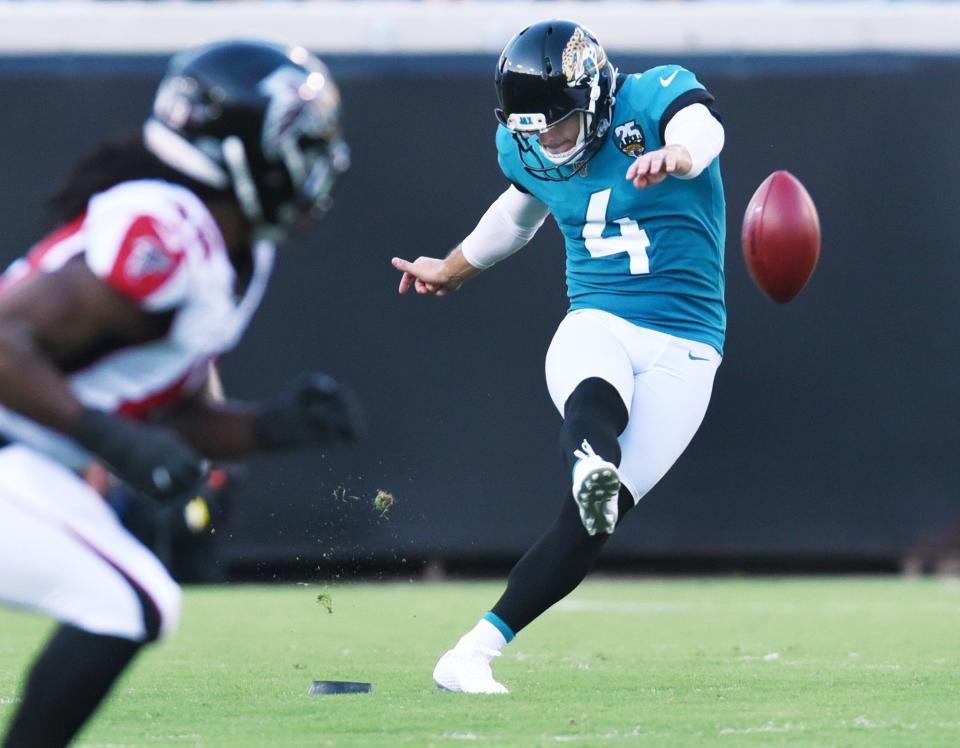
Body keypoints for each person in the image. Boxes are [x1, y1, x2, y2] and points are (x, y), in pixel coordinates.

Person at [0, 40, 363, 746]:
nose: (318, 162)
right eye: (301, 141)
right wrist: (114, 443)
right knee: (132, 600)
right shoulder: (167, 230)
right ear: (238, 145)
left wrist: (271, 427)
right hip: (17, 453)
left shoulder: (237, 251)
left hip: (32, 460)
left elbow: (165, 409)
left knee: (133, 603)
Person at [392, 18, 726, 693]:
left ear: (597, 98)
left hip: (688, 346)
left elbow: (705, 129)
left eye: (556, 126)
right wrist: (453, 268)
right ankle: (589, 463)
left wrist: (681, 157)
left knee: (591, 524)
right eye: (531, 131)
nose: (545, 143)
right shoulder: (532, 147)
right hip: (599, 317)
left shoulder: (653, 97)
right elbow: (517, 213)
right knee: (594, 395)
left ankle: (471, 653)